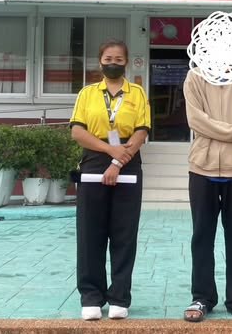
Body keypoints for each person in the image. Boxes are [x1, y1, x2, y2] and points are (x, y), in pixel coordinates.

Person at [69, 39, 150, 321]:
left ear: (126, 62)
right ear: (100, 61)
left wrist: (118, 160)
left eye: (118, 59)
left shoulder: (137, 93)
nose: (113, 63)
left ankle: (119, 297)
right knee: (90, 233)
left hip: (128, 160)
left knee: (124, 233)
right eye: (108, 59)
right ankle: (91, 296)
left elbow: (141, 131)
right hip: (94, 159)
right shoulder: (87, 93)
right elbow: (77, 131)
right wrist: (108, 150)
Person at [182, 69, 232, 323]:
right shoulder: (195, 76)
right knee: (202, 235)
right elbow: (197, 121)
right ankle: (202, 297)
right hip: (201, 167)